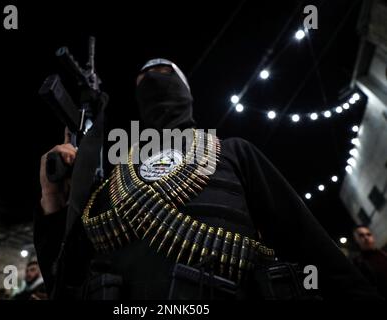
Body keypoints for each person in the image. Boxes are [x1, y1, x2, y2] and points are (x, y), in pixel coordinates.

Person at [34, 58, 381, 300]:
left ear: (187, 93)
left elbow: (312, 247)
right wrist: (53, 205)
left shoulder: (231, 152)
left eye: (165, 73)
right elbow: (64, 285)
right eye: (144, 78)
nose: (154, 76)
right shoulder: (114, 180)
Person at [352, 225, 387, 298]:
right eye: (361, 235)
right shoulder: (358, 263)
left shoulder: (383, 254)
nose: (366, 237)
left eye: (368, 234)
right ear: (356, 240)